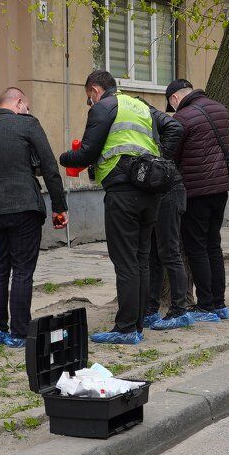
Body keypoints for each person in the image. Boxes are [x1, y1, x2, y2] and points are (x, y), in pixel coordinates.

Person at [60, 70, 183, 345]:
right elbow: (176, 127)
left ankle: (126, 328)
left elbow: (88, 152)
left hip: (123, 191)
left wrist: (64, 157)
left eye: (88, 98)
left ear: (94, 90)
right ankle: (136, 325)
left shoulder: (104, 107)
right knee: (140, 259)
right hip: (150, 190)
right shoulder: (139, 104)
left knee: (125, 260)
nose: (89, 103)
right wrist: (157, 159)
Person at [0, 86, 67, 348]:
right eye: (27, 106)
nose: (28, 111)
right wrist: (59, 206)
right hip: (24, 205)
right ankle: (20, 332)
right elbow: (49, 167)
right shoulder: (28, 125)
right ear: (19, 102)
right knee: (23, 270)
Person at [171, 83, 229, 323]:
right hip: (220, 188)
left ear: (176, 97)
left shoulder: (182, 117)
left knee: (196, 248)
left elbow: (174, 153)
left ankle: (206, 305)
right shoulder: (220, 109)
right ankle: (219, 303)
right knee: (213, 245)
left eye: (171, 103)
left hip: (196, 190)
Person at [140, 79, 196, 331]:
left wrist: (160, 156)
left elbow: (175, 129)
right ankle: (151, 308)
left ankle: (179, 309)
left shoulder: (148, 115)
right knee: (154, 253)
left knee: (169, 251)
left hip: (170, 192)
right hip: (156, 193)